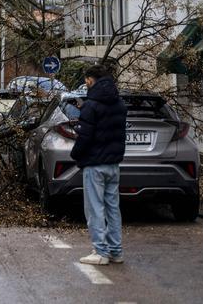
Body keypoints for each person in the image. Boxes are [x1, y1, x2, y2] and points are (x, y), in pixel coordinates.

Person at [70, 65, 127, 265]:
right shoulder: (119, 104)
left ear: (91, 80)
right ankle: (116, 251)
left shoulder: (91, 105)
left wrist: (75, 154)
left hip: (94, 164)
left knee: (95, 209)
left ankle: (100, 252)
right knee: (113, 208)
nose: (86, 84)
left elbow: (84, 136)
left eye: (86, 81)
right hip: (113, 164)